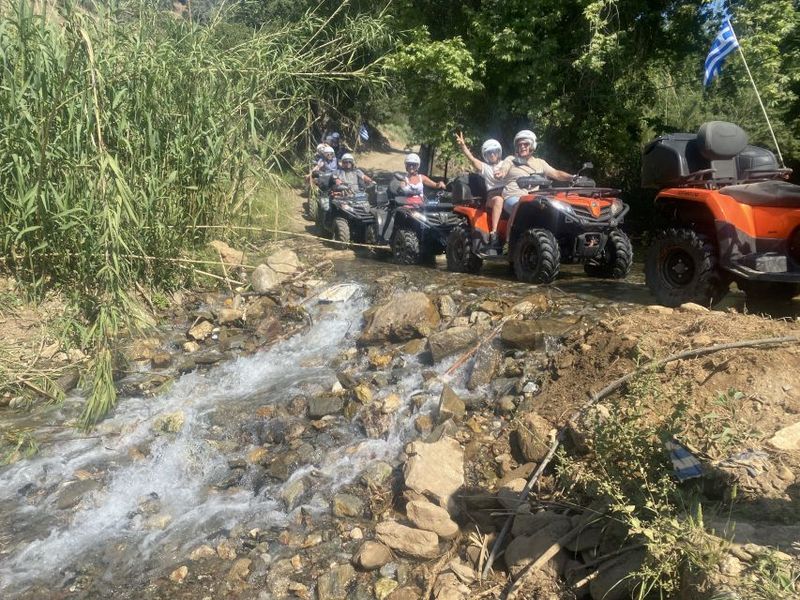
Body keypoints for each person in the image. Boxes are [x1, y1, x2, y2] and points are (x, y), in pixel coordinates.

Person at [494, 129, 573, 240]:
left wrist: (572, 177)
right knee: (520, 205)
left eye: (526, 144)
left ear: (532, 145)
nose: (522, 147)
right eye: (519, 144)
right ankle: (509, 242)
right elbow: (504, 168)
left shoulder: (540, 163)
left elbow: (556, 173)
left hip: (533, 199)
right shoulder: (511, 159)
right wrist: (500, 173)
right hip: (513, 197)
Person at [455, 132, 505, 247]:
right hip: (492, 197)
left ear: (499, 153)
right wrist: (463, 146)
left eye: (494, 152)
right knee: (499, 200)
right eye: (489, 153)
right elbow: (472, 159)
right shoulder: (485, 168)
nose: (492, 154)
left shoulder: (505, 164)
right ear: (485, 155)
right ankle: (494, 233)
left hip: (508, 193)